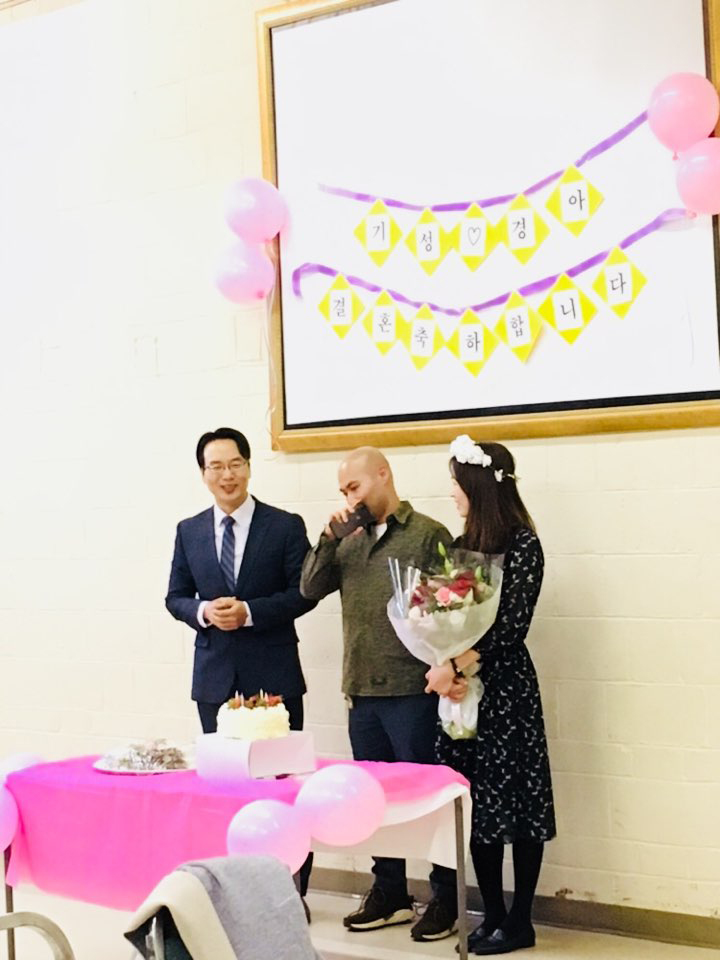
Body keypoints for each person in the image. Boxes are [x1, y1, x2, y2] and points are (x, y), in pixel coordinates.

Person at [300, 447, 459, 943]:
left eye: (355, 487)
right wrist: (328, 538)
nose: (350, 499)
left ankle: (446, 896)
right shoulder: (347, 541)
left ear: (384, 475)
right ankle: (390, 892)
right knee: (373, 802)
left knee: (428, 798)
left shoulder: (428, 533)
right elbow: (308, 588)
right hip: (362, 690)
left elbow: (455, 607)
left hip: (413, 690)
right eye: (343, 491)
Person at [165, 427, 317, 903]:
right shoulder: (189, 530)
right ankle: (233, 894)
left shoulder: (284, 525)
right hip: (215, 680)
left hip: (274, 676)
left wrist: (249, 612)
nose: (226, 475)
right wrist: (203, 611)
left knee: (282, 791)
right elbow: (175, 597)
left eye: (235, 464)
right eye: (216, 467)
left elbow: (303, 593)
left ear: (248, 467)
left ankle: (291, 895)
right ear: (203, 474)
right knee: (223, 792)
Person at [424, 435, 556, 956]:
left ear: (478, 486)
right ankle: (493, 913)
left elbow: (511, 625)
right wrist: (443, 662)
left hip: (507, 690)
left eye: (455, 484)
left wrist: (457, 663)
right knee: (476, 802)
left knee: (518, 802)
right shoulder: (461, 547)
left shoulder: (524, 545)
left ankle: (521, 921)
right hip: (464, 692)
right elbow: (439, 616)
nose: (451, 493)